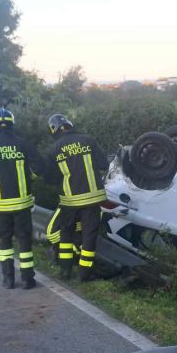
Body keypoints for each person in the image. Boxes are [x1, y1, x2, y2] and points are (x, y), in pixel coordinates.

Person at [0, 108, 44, 289]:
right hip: (22, 204)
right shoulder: (22, 144)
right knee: (24, 240)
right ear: (12, 123)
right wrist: (29, 179)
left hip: (0, 205)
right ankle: (28, 279)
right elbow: (40, 167)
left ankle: (8, 279)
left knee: (4, 242)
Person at [44, 114, 109, 281]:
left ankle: (65, 271)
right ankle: (84, 274)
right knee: (89, 237)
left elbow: (49, 179)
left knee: (66, 235)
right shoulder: (88, 140)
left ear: (53, 130)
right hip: (92, 199)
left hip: (69, 202)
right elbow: (104, 164)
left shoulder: (53, 150)